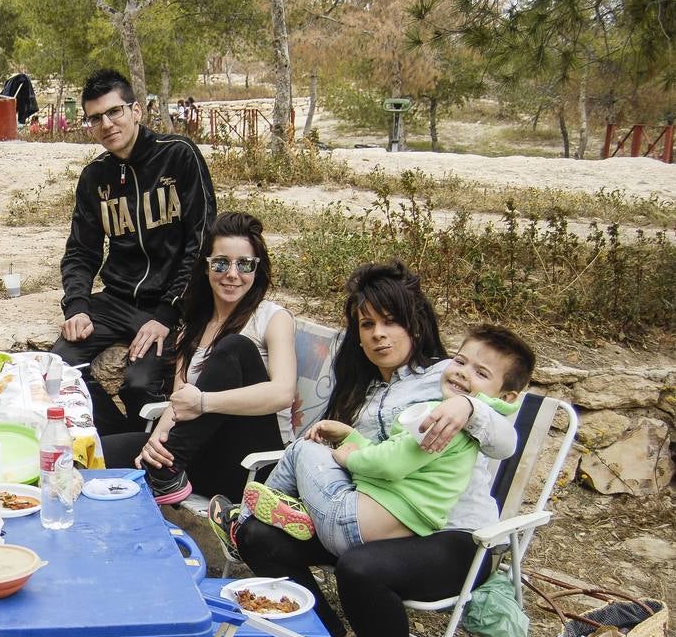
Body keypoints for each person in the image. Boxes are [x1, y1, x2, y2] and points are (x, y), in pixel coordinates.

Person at [222, 261, 520, 637]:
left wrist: (468, 407)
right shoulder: (369, 388)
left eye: (391, 321)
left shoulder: (452, 378)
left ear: (415, 322)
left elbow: (505, 439)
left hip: (453, 538)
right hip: (372, 517)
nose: (379, 334)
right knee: (259, 537)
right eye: (368, 324)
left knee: (360, 568)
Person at [233, 324, 533, 554]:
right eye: (460, 361)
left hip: (355, 524)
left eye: (480, 372)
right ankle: (280, 510)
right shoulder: (435, 407)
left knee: (304, 449)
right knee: (313, 452)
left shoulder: (446, 415)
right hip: (378, 524)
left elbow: (390, 465)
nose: (462, 373)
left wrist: (348, 456)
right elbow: (397, 452)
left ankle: (243, 519)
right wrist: (351, 436)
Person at [53, 69, 216, 437]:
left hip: (172, 303)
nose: (107, 124)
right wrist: (77, 305)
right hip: (116, 299)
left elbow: (202, 240)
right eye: (96, 117)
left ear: (137, 110)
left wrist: (167, 312)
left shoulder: (178, 156)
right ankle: (114, 439)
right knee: (57, 367)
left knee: (139, 384)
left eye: (115, 112)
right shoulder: (95, 177)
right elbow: (81, 251)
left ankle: (136, 449)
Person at [101, 211, 296, 504]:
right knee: (101, 453)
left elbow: (283, 393)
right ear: (205, 267)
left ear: (257, 268)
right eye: (220, 263)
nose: (232, 274)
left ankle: (164, 473)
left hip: (256, 463)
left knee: (235, 347)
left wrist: (204, 403)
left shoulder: (272, 318)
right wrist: (157, 441)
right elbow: (181, 400)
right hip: (200, 456)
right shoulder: (193, 326)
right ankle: (162, 471)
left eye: (244, 264)